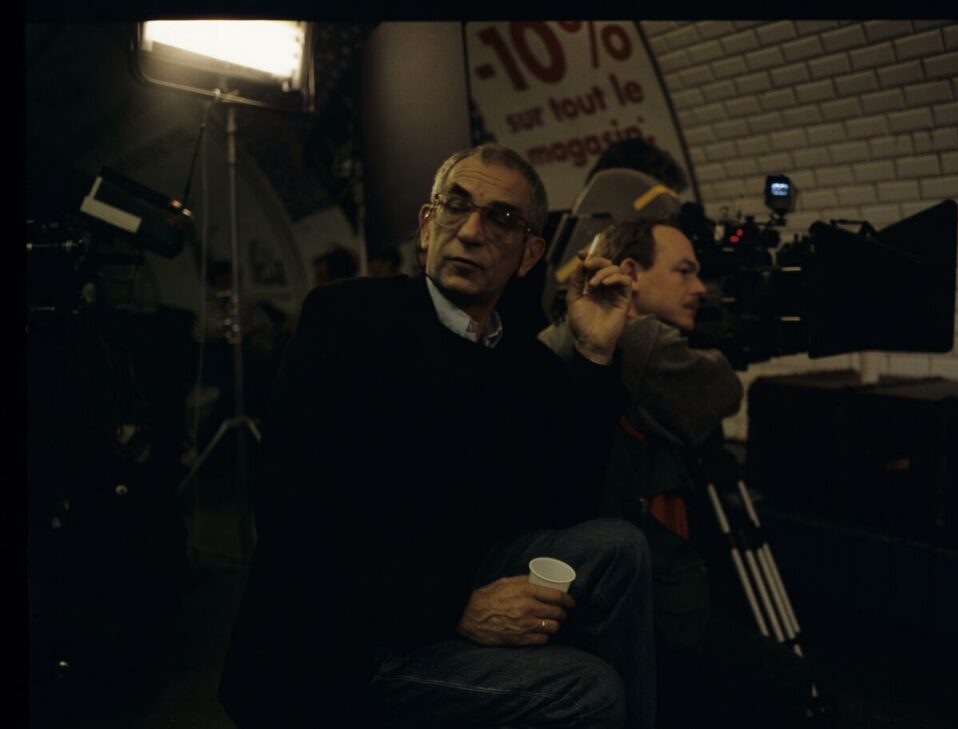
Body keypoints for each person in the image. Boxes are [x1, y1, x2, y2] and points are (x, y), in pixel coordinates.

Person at [219, 143, 659, 729]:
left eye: (501, 218)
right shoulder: (348, 320)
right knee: (589, 691)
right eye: (456, 206)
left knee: (620, 547)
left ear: (530, 254)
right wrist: (456, 609)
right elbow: (292, 509)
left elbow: (563, 502)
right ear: (427, 226)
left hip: (452, 577)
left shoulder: (519, 360)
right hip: (343, 634)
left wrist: (595, 352)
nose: (471, 232)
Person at [540, 218, 813, 728]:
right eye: (684, 271)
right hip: (640, 620)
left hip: (601, 606)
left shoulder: (561, 338)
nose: (699, 288)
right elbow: (722, 388)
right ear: (629, 274)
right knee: (784, 681)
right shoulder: (640, 344)